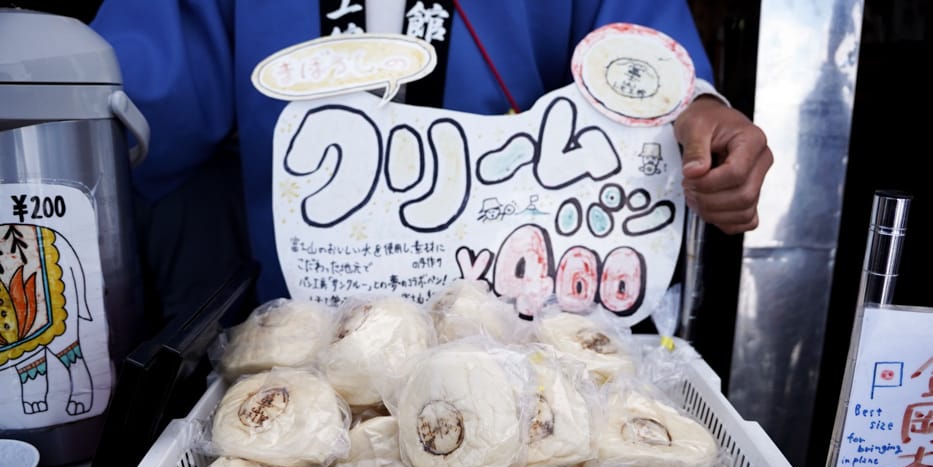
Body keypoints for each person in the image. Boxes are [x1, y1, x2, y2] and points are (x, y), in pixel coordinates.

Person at [90, 0, 772, 316]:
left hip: (522, 329)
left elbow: (641, 59)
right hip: (299, 331)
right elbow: (132, 98)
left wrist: (698, 115)